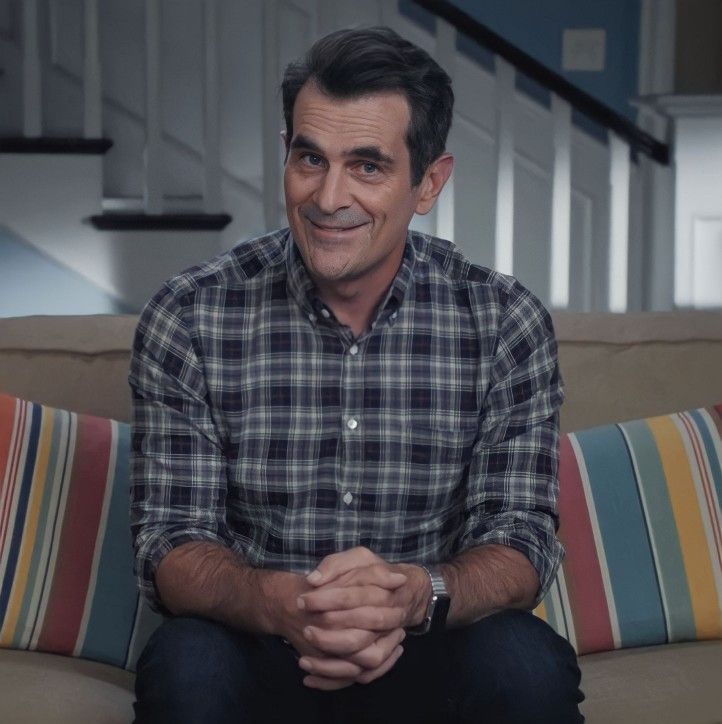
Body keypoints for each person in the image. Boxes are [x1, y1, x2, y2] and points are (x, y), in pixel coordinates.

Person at [129, 26, 584, 724]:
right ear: (286, 155)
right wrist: (285, 604)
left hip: (430, 642)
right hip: (258, 641)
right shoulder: (189, 314)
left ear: (428, 182)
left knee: (525, 666)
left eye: (367, 166)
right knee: (185, 664)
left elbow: (519, 539)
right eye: (310, 158)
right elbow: (173, 541)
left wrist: (412, 594)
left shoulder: (502, 320)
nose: (327, 196)